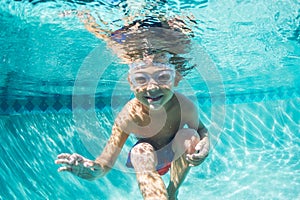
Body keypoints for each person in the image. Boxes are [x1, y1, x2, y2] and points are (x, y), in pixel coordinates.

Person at [55, 12, 210, 200]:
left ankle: (172, 192)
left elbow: (201, 130)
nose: (152, 87)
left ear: (175, 79)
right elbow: (105, 162)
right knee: (140, 151)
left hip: (176, 157)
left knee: (189, 136)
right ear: (131, 83)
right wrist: (92, 170)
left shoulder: (184, 105)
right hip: (147, 161)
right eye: (141, 79)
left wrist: (204, 145)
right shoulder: (129, 115)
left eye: (162, 77)